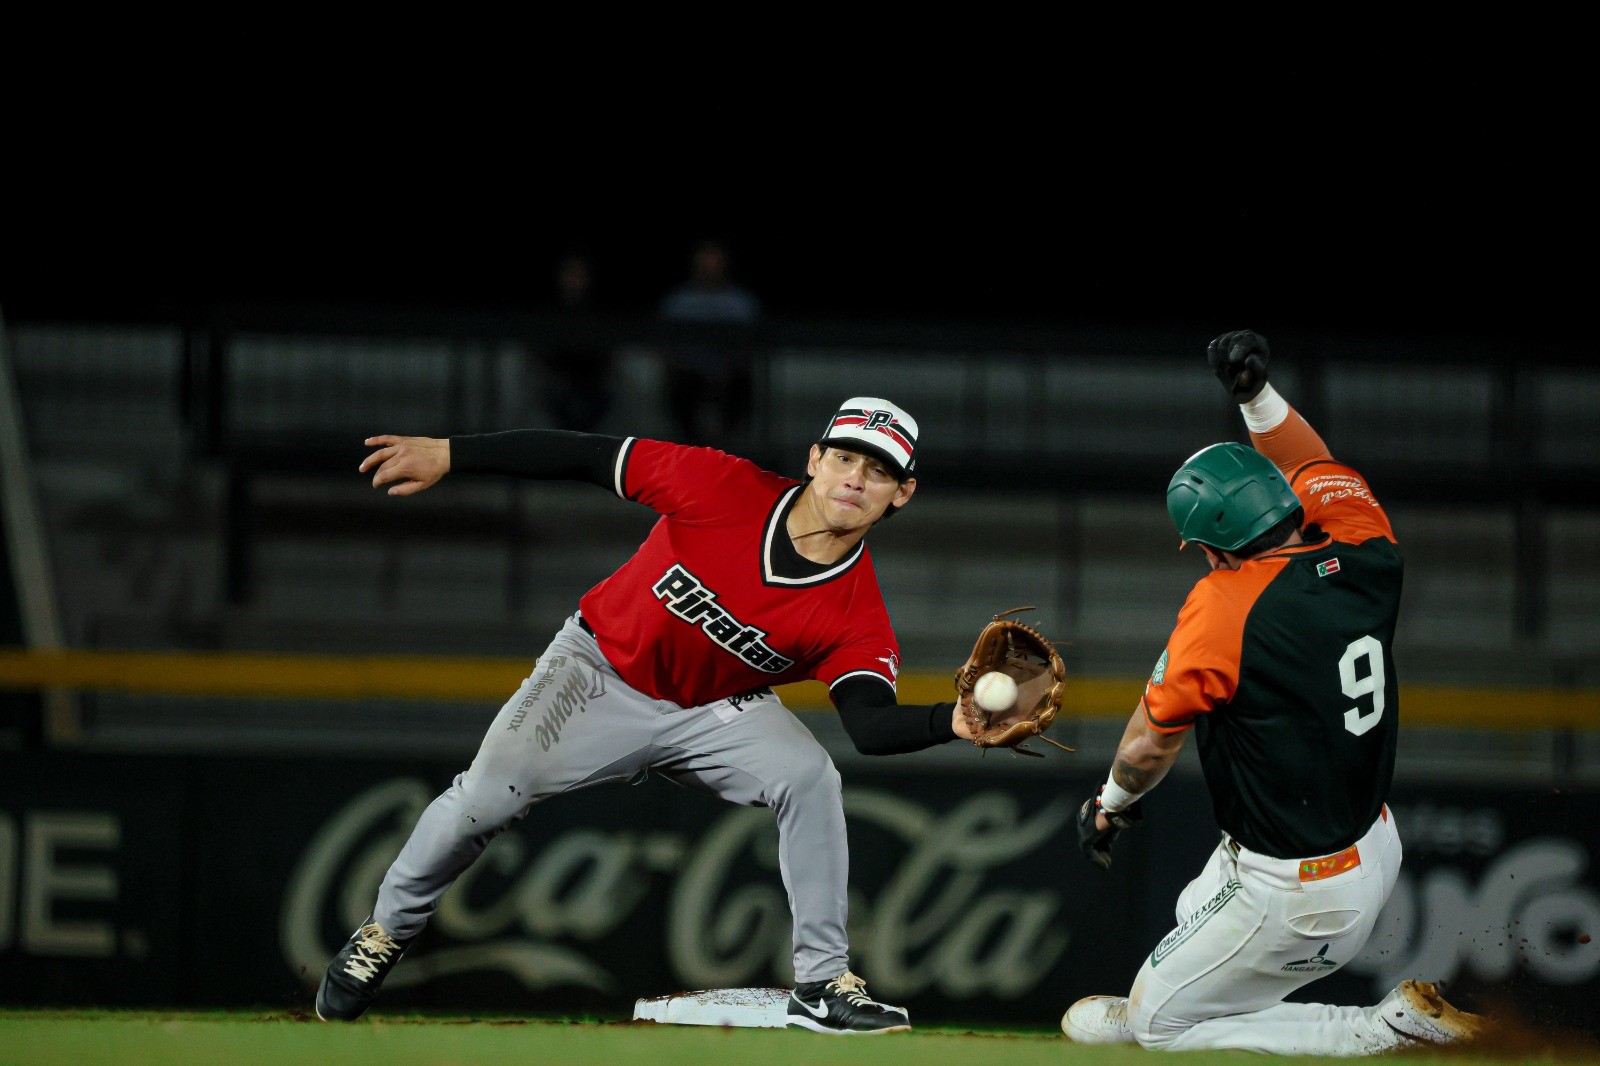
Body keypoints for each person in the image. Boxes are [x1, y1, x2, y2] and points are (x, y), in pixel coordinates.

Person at [316, 397, 1041, 1033]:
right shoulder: (722, 485)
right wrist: (452, 453)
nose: (855, 479)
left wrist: (950, 723)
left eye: (878, 471)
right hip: (597, 668)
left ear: (902, 493)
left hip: (712, 709)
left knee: (809, 776)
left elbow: (869, 725)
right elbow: (583, 455)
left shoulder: (857, 614)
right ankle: (384, 932)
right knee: (483, 800)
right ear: (814, 459)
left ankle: (824, 983)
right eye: (845, 457)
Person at [1062, 330, 1489, 1055]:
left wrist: (1110, 806)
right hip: (1370, 843)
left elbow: (1146, 741)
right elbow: (1311, 462)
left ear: (1213, 545)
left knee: (1150, 1030)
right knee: (1191, 908)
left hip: (1298, 892)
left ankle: (1381, 1030)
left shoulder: (1224, 606)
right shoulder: (1367, 545)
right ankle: (1190, 990)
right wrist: (1256, 396)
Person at [657, 239, 761, 446]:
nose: (710, 267)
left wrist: (728, 369)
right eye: (705, 261)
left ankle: (727, 449)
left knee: (743, 387)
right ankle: (691, 449)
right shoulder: (678, 302)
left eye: (715, 260)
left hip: (730, 376)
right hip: (688, 376)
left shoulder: (741, 303)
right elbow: (664, 348)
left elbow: (751, 347)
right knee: (678, 391)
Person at [533, 252, 614, 433]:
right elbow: (541, 348)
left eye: (579, 274)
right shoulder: (549, 309)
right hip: (557, 380)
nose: (574, 279)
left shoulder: (597, 309)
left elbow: (604, 351)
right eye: (570, 273)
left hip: (593, 381)